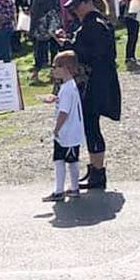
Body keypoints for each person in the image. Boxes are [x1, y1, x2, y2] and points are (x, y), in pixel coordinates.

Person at [53, 0, 120, 191]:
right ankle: (94, 169)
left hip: (95, 81)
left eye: (76, 6)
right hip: (99, 80)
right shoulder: (97, 23)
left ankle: (98, 172)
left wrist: (67, 45)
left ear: (87, 3)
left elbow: (89, 54)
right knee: (90, 125)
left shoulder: (94, 25)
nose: (74, 11)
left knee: (91, 125)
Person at [40, 51, 85, 202]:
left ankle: (63, 189)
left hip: (67, 132)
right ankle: (70, 188)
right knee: (66, 159)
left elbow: (64, 112)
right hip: (70, 132)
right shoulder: (69, 86)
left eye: (55, 67)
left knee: (65, 161)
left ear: (65, 68)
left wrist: (56, 128)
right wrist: (55, 99)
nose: (53, 70)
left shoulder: (66, 89)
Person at [28, 0, 61, 78]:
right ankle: (54, 71)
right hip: (54, 25)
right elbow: (59, 9)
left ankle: (36, 72)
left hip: (41, 27)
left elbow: (34, 13)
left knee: (40, 50)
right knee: (54, 49)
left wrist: (31, 29)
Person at [121, 0, 140, 65]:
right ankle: (128, 57)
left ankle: (132, 55)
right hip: (129, 17)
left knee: (135, 37)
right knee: (131, 37)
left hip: (136, 17)